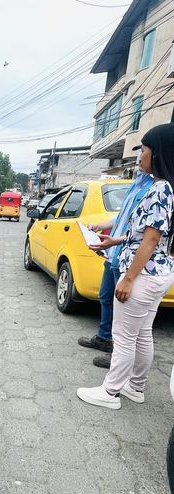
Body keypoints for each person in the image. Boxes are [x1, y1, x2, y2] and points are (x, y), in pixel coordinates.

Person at [77, 123, 174, 409]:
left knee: (123, 337)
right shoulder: (164, 187)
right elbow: (143, 234)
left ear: (158, 153)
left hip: (143, 274)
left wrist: (129, 278)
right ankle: (136, 387)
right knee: (142, 334)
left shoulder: (160, 189)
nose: (140, 155)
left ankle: (110, 392)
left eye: (144, 149)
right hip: (157, 273)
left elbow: (151, 240)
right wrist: (113, 241)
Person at [78, 166, 154, 369]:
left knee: (123, 309)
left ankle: (118, 356)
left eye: (143, 152)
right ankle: (104, 338)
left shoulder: (155, 188)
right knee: (105, 297)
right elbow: (121, 217)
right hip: (113, 254)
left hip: (127, 256)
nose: (139, 158)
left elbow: (145, 233)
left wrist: (116, 242)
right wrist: (100, 226)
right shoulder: (136, 184)